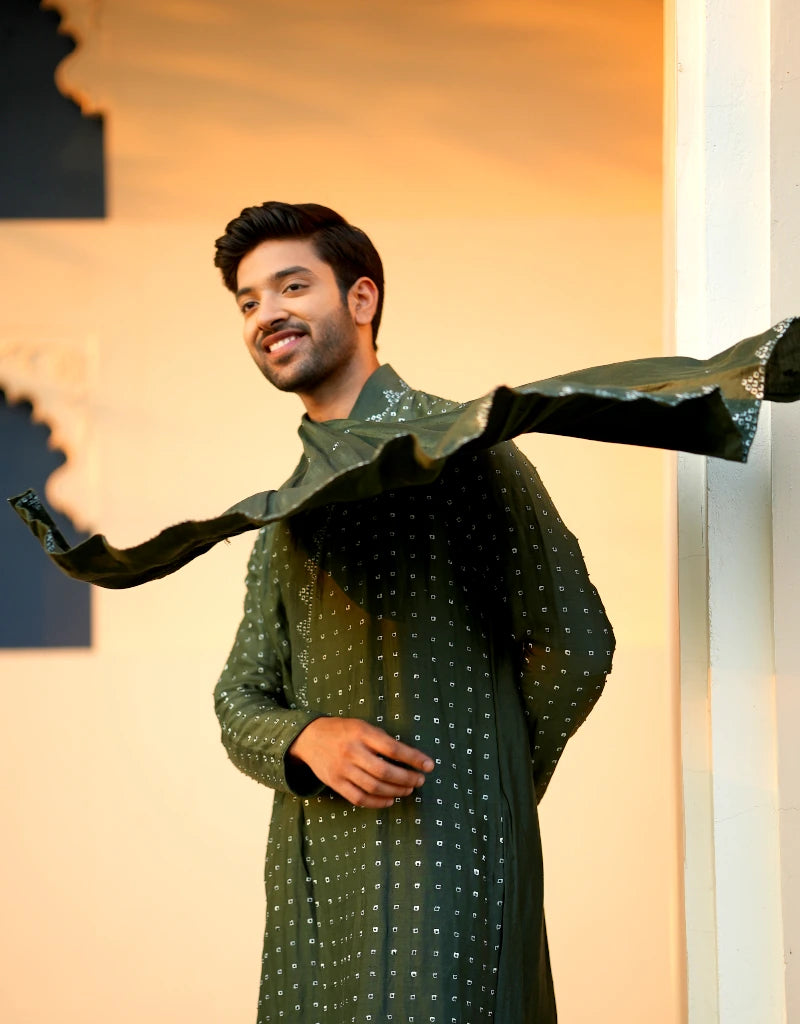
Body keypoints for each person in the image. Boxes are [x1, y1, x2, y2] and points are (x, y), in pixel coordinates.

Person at [211, 201, 615, 1024]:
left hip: (444, 873)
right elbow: (239, 699)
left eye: (292, 286)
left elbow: (575, 641)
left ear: (361, 301)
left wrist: (482, 784)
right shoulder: (287, 511)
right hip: (316, 890)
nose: (267, 314)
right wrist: (305, 738)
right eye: (249, 301)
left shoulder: (464, 449)